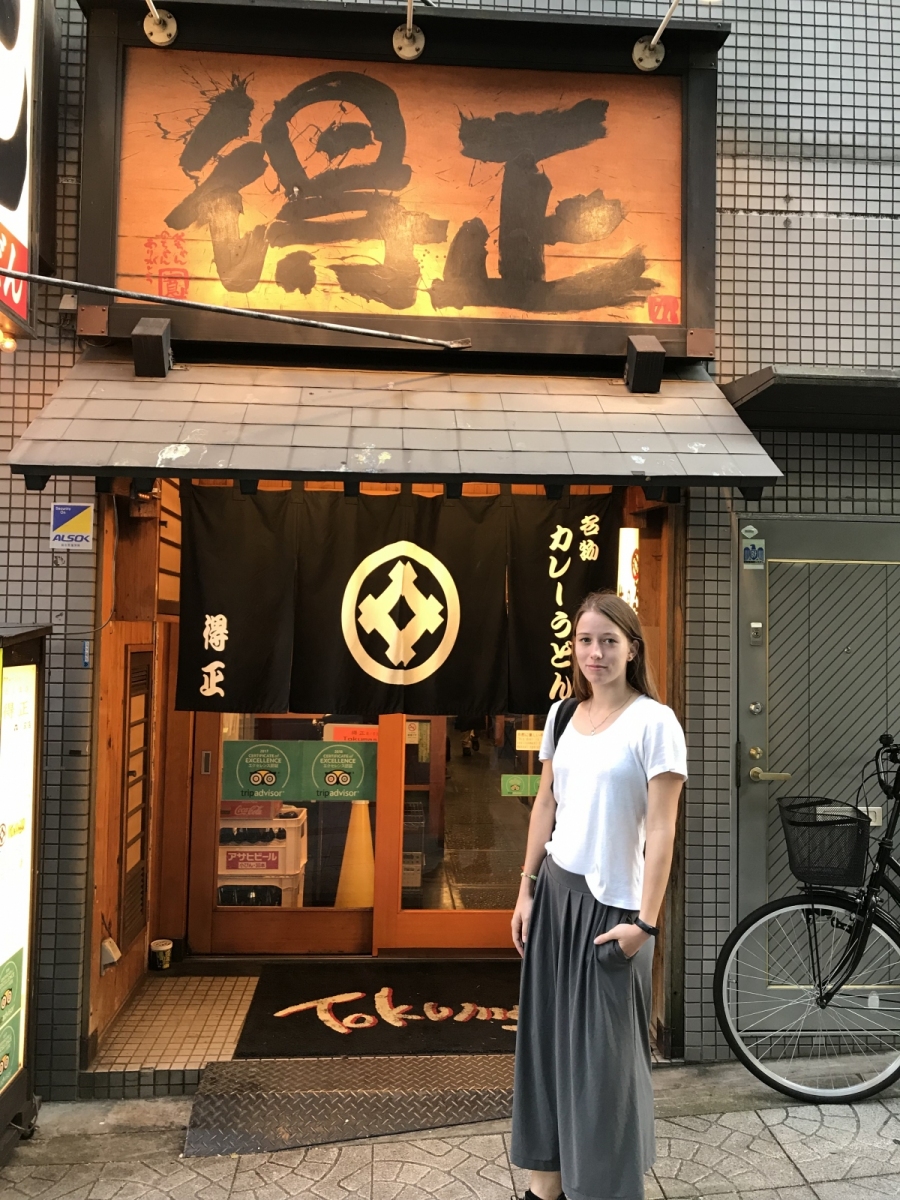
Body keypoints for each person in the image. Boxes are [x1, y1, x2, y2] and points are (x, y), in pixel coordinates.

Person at [510, 590, 686, 1200]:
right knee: (547, 1049)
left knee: (604, 1069)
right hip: (556, 896)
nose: (595, 652)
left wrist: (646, 924)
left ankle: (604, 1190)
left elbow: (662, 831)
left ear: (632, 649)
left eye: (609, 641)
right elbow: (545, 804)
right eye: (585, 640)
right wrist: (526, 888)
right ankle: (545, 1189)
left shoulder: (655, 723)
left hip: (616, 911)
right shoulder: (562, 715)